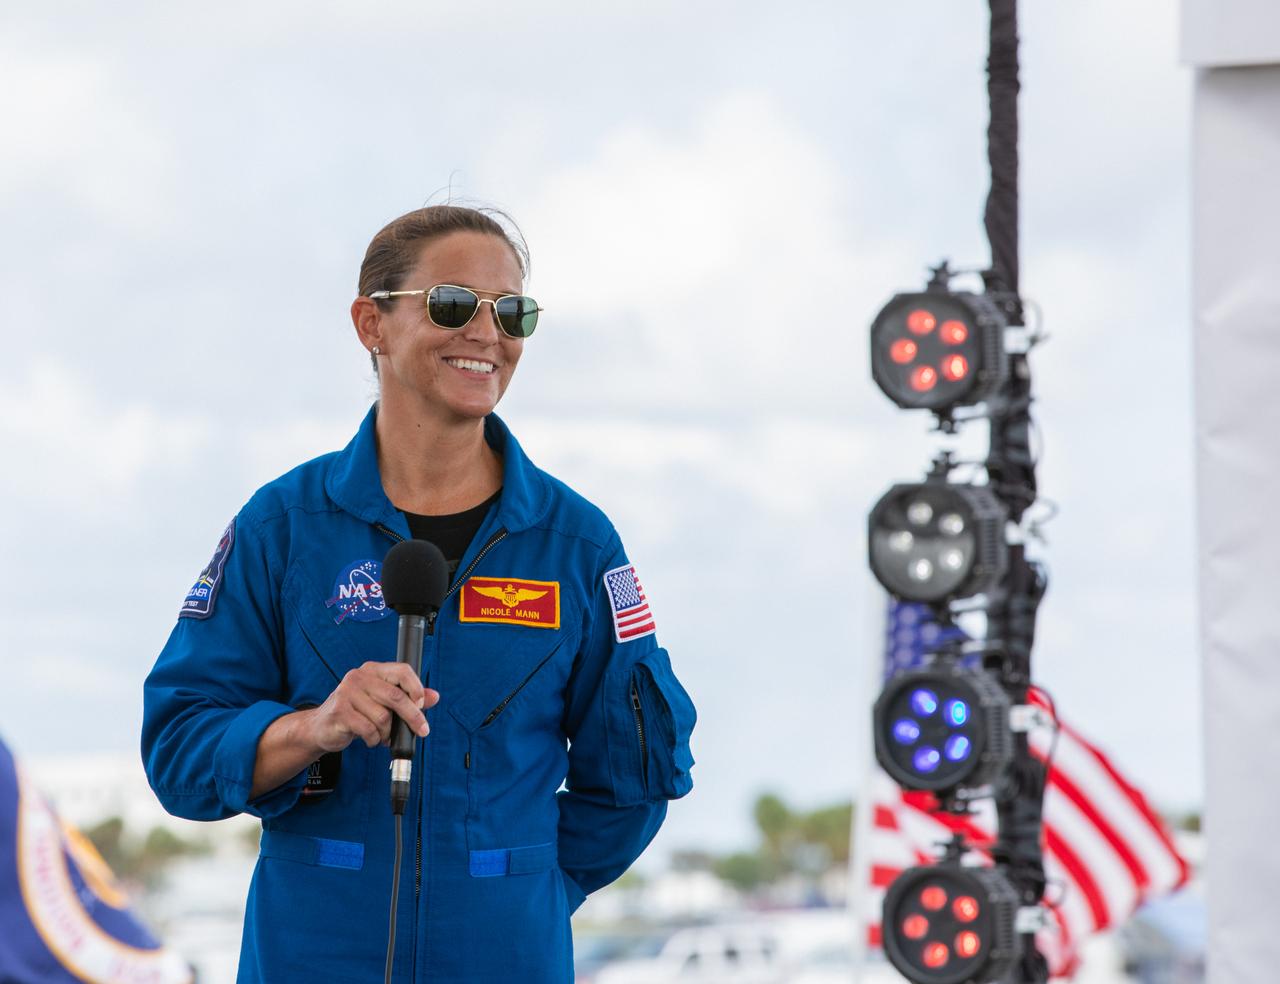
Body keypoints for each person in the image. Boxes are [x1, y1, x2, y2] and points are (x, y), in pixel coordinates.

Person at [141, 205, 697, 983]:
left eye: (512, 313)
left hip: (507, 956)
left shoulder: (576, 544)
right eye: (451, 304)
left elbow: (632, 781)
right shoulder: (282, 529)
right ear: (372, 324)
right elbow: (179, 751)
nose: (487, 333)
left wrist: (519, 888)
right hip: (314, 954)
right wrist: (314, 727)